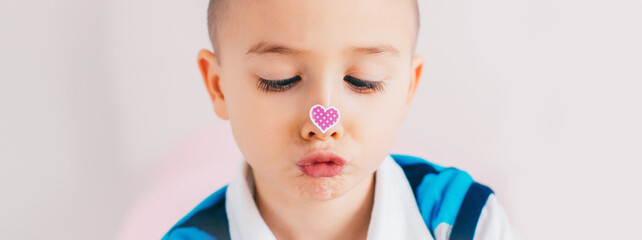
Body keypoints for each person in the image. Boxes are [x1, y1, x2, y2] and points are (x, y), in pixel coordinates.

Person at [163, 0, 515, 239]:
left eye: (363, 80)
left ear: (408, 87)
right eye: (279, 79)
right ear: (218, 86)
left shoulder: (462, 219)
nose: (322, 123)